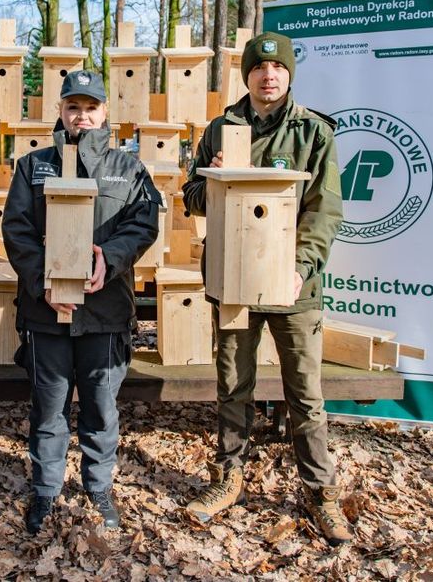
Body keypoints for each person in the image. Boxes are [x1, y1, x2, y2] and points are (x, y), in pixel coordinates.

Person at [180, 32, 352, 545]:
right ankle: (229, 475)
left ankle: (319, 491)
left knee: (305, 391)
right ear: (247, 75)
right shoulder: (221, 128)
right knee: (234, 386)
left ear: (289, 74)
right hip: (233, 281)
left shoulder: (313, 132)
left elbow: (326, 208)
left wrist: (300, 265)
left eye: (277, 68)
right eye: (259, 68)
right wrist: (218, 183)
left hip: (294, 287)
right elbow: (191, 194)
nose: (268, 75)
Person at [1, 70, 160, 535]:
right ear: (60, 111)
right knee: (48, 408)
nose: (82, 116)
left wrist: (108, 259)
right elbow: (16, 231)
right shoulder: (33, 167)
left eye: (91, 107)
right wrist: (43, 282)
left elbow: (143, 225)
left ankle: (97, 486)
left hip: (106, 313)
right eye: (73, 107)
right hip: (45, 314)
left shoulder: (129, 168)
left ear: (105, 112)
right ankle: (47, 490)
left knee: (100, 406)